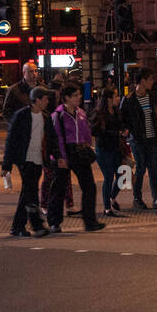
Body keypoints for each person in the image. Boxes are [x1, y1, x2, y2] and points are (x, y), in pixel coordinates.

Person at [1, 86, 59, 238]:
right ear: (37, 100)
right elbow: (11, 140)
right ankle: (35, 225)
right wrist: (6, 165)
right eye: (45, 99)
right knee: (30, 191)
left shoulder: (45, 117)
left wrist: (58, 157)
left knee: (28, 193)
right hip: (24, 159)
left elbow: (52, 140)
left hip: (38, 159)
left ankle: (19, 226)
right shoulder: (21, 116)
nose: (47, 102)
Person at [51, 83, 104, 232]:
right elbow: (57, 138)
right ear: (66, 98)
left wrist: (88, 146)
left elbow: (86, 132)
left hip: (79, 152)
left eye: (79, 95)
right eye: (75, 95)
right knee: (59, 189)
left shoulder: (80, 112)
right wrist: (60, 156)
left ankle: (90, 221)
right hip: (65, 152)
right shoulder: (58, 115)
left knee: (89, 187)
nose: (78, 98)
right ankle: (54, 222)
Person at [120, 68, 157, 210]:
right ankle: (137, 198)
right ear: (142, 81)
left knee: (153, 168)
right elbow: (122, 118)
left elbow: (156, 115)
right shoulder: (129, 100)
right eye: (150, 79)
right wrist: (127, 131)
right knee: (141, 168)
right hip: (138, 139)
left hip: (152, 138)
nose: (152, 82)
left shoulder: (152, 96)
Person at [89, 87, 125, 218]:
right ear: (109, 99)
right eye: (116, 96)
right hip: (104, 149)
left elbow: (121, 124)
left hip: (116, 148)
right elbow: (94, 131)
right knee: (109, 176)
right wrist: (114, 133)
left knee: (123, 175)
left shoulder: (116, 111)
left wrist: (123, 130)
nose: (118, 98)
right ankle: (107, 208)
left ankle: (111, 197)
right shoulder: (99, 112)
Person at [1, 62, 40, 129]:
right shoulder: (14, 90)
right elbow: (6, 112)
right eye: (31, 71)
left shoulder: (43, 88)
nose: (34, 74)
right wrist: (17, 126)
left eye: (36, 71)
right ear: (24, 73)